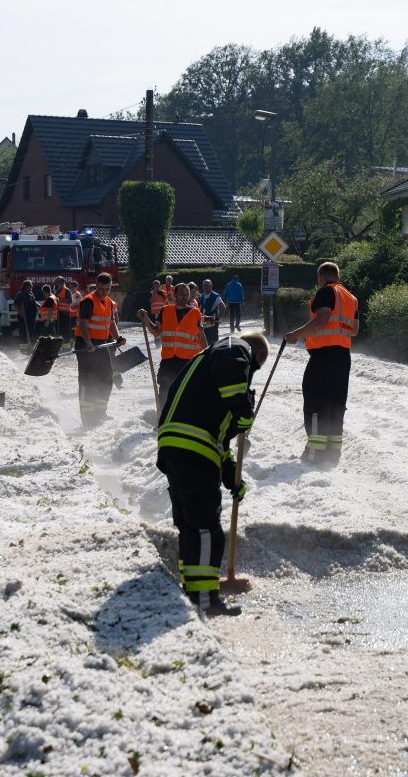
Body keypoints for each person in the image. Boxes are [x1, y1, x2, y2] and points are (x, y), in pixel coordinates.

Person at [157, 332, 268, 617]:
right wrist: (243, 407)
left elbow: (221, 441)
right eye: (255, 366)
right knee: (208, 529)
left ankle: (193, 591)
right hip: (193, 448)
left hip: (178, 447)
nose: (251, 373)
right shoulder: (234, 347)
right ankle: (207, 600)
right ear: (253, 352)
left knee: (191, 526)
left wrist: (231, 474)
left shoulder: (210, 377)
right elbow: (233, 367)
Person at [284, 262, 359, 464]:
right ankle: (332, 452)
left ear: (322, 276)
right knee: (335, 404)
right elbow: (354, 330)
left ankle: (315, 453)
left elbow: (322, 320)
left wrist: (296, 335)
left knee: (316, 401)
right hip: (343, 356)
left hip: (324, 356)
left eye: (319, 278)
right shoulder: (351, 298)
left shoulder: (326, 292)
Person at [137, 283, 205, 410]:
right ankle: (162, 417)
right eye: (181, 294)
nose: (185, 297)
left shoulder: (195, 313)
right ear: (174, 294)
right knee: (164, 391)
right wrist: (145, 318)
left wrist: (206, 354)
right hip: (169, 360)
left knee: (185, 392)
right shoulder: (165, 311)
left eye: (187, 294)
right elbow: (156, 332)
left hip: (187, 361)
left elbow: (201, 336)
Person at [75, 273, 125, 428]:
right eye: (102, 288)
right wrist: (88, 343)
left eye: (107, 289)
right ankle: (88, 417)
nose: (104, 291)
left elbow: (111, 323)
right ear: (96, 285)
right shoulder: (88, 301)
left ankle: (100, 412)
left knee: (106, 377)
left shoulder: (109, 302)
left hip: (102, 344)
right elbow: (83, 324)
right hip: (86, 344)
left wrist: (118, 338)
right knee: (88, 380)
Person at [197, 279, 226, 347]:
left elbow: (223, 307)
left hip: (212, 322)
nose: (205, 287)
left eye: (207, 285)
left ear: (211, 286)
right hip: (204, 321)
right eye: (204, 285)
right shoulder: (202, 296)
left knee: (213, 341)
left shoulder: (215, 296)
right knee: (204, 340)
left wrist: (218, 319)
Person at [13, 279, 38, 352]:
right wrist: (21, 313)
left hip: (31, 317)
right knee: (24, 333)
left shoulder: (31, 294)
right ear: (26, 286)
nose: (32, 287)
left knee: (30, 332)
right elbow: (16, 305)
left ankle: (29, 348)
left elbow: (33, 302)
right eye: (31, 286)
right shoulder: (20, 294)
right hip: (24, 318)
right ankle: (23, 350)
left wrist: (37, 305)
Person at [55, 277, 74, 342]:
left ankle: (66, 347)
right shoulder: (57, 291)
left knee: (66, 330)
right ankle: (60, 345)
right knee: (60, 330)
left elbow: (70, 301)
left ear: (62, 283)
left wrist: (61, 299)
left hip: (65, 314)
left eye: (58, 282)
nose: (57, 283)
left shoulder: (66, 290)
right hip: (59, 314)